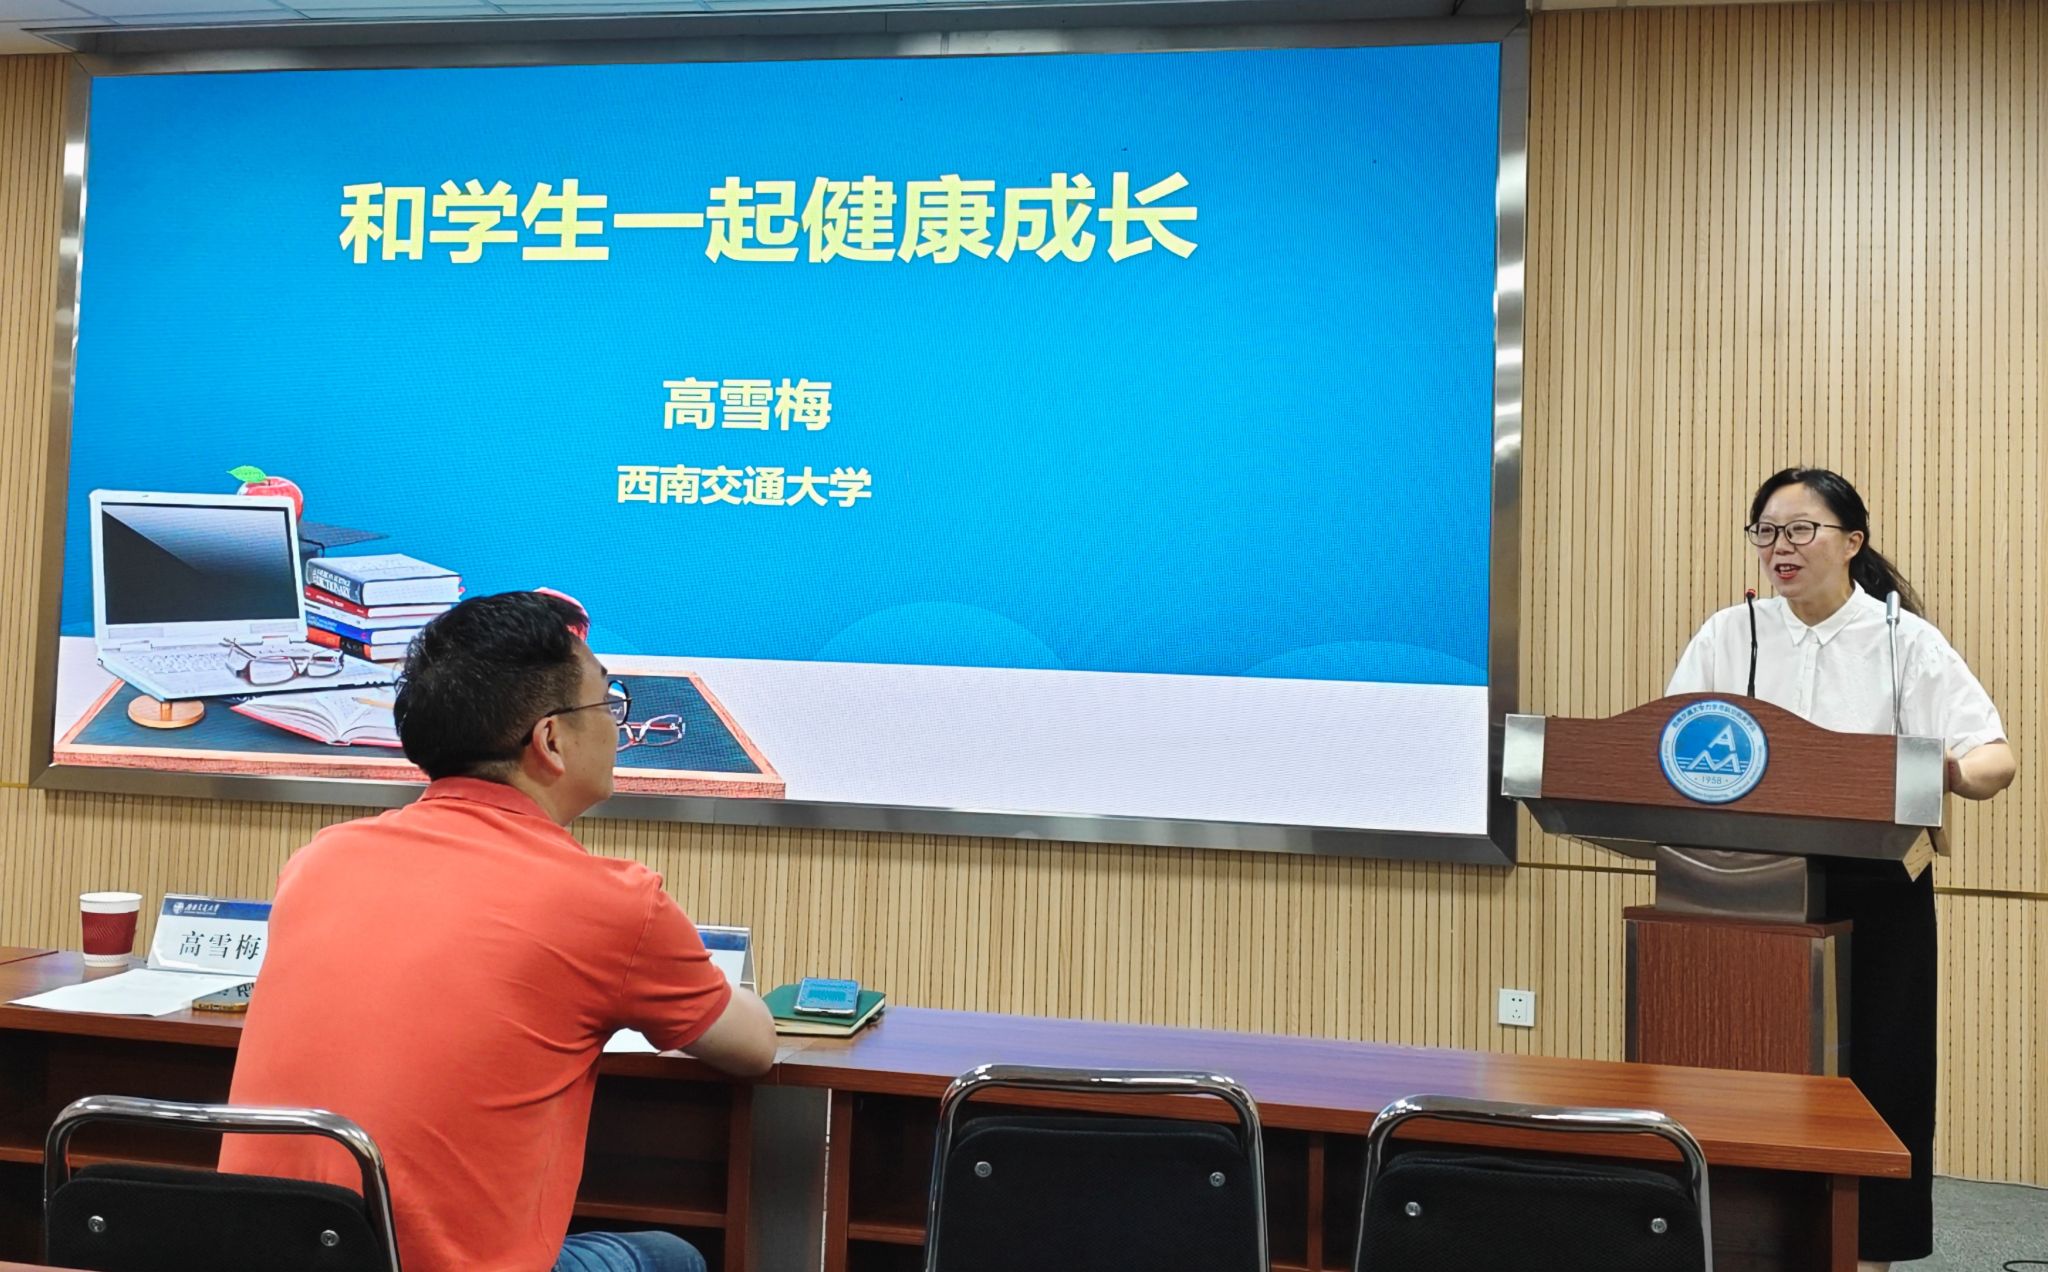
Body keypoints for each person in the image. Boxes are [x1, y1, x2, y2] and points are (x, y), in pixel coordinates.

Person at [219, 590, 778, 1272]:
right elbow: (754, 1047)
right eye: (608, 703)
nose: (616, 724)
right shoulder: (609, 903)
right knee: (671, 1257)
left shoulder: (321, 860)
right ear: (551, 740)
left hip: (264, 1257)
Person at [1667, 467, 2015, 1270]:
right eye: (1765, 532)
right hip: (1745, 886)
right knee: (1743, 1075)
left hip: (1877, 887)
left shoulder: (1902, 640)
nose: (1779, 548)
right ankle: (1733, 1242)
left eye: (1800, 530)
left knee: (1880, 1078)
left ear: (1852, 541)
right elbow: (1670, 748)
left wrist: (1952, 771)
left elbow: (1995, 758)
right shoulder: (1729, 634)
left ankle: (1870, 1253)